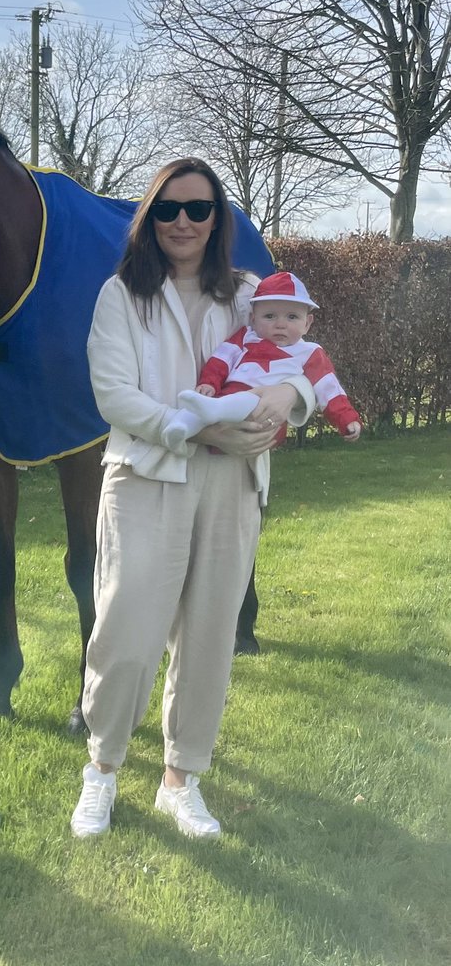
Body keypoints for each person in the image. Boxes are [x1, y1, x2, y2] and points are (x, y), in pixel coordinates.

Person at [70, 158, 316, 841]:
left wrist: (282, 402)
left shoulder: (246, 293)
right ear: (149, 220)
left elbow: (303, 365)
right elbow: (115, 396)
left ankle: (182, 780)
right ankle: (103, 768)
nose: (183, 222)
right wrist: (203, 429)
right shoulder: (121, 295)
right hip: (146, 475)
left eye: (199, 209)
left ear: (219, 219)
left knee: (210, 633)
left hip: (233, 483)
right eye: (169, 209)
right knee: (125, 632)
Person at [163, 271, 362, 451]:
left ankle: (214, 410)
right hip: (225, 402)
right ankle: (179, 429)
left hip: (264, 418)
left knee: (241, 401)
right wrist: (209, 382)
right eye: (269, 316)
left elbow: (329, 388)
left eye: (292, 317)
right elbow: (221, 360)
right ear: (253, 318)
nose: (280, 325)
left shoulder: (309, 352)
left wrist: (346, 419)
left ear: (307, 323)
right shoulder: (245, 337)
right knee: (199, 410)